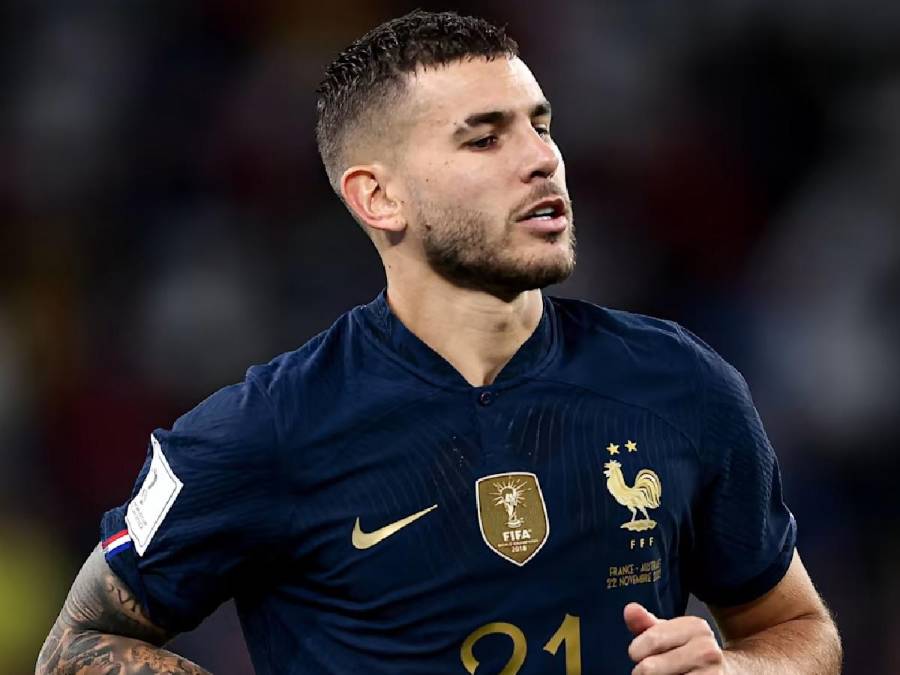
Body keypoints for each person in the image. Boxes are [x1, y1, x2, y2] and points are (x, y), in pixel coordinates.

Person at [37, 10, 841, 675]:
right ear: (378, 197)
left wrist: (738, 668)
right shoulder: (266, 428)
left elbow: (799, 628)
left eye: (541, 125)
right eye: (484, 138)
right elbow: (77, 644)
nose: (542, 159)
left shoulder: (681, 383)